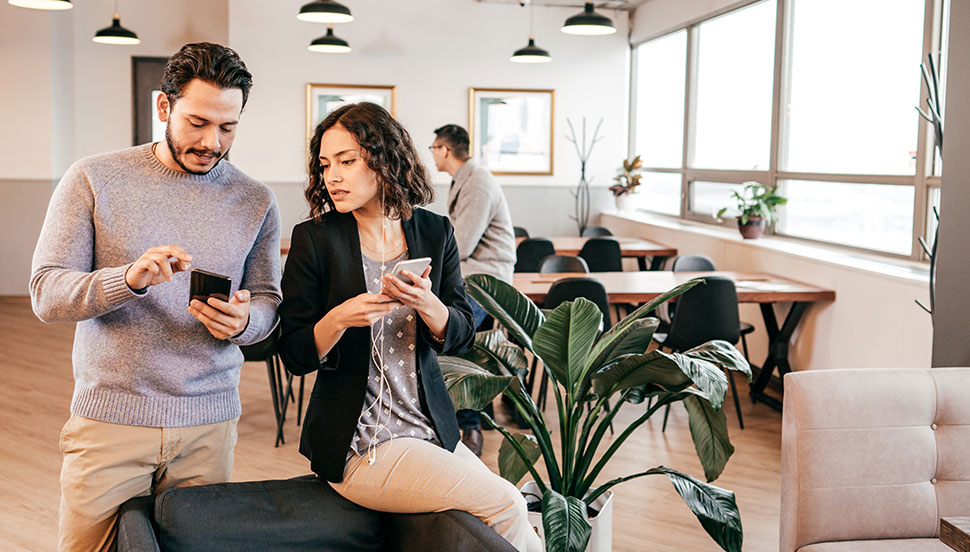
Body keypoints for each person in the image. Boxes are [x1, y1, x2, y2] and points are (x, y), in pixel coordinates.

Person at [29, 42, 281, 552]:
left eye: (227, 128)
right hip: (110, 421)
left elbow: (269, 302)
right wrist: (129, 279)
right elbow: (46, 292)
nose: (212, 142)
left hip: (210, 425)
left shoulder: (256, 200)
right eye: (198, 123)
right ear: (164, 107)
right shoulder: (93, 178)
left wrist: (244, 322)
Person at [278, 103, 540, 552]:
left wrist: (428, 304)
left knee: (505, 513)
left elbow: (459, 333)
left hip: (429, 431)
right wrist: (342, 316)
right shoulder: (315, 239)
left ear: (383, 161)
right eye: (325, 165)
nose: (332, 177)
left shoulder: (434, 231)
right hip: (361, 443)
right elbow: (296, 353)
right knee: (508, 506)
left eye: (347, 161)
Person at [430, 124, 517, 456]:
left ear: (445, 150)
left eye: (434, 148)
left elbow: (461, 243)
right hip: (471, 276)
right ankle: (449, 420)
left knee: (452, 336)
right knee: (439, 331)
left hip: (486, 281)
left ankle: (468, 428)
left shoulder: (477, 182)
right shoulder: (465, 179)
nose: (433, 154)